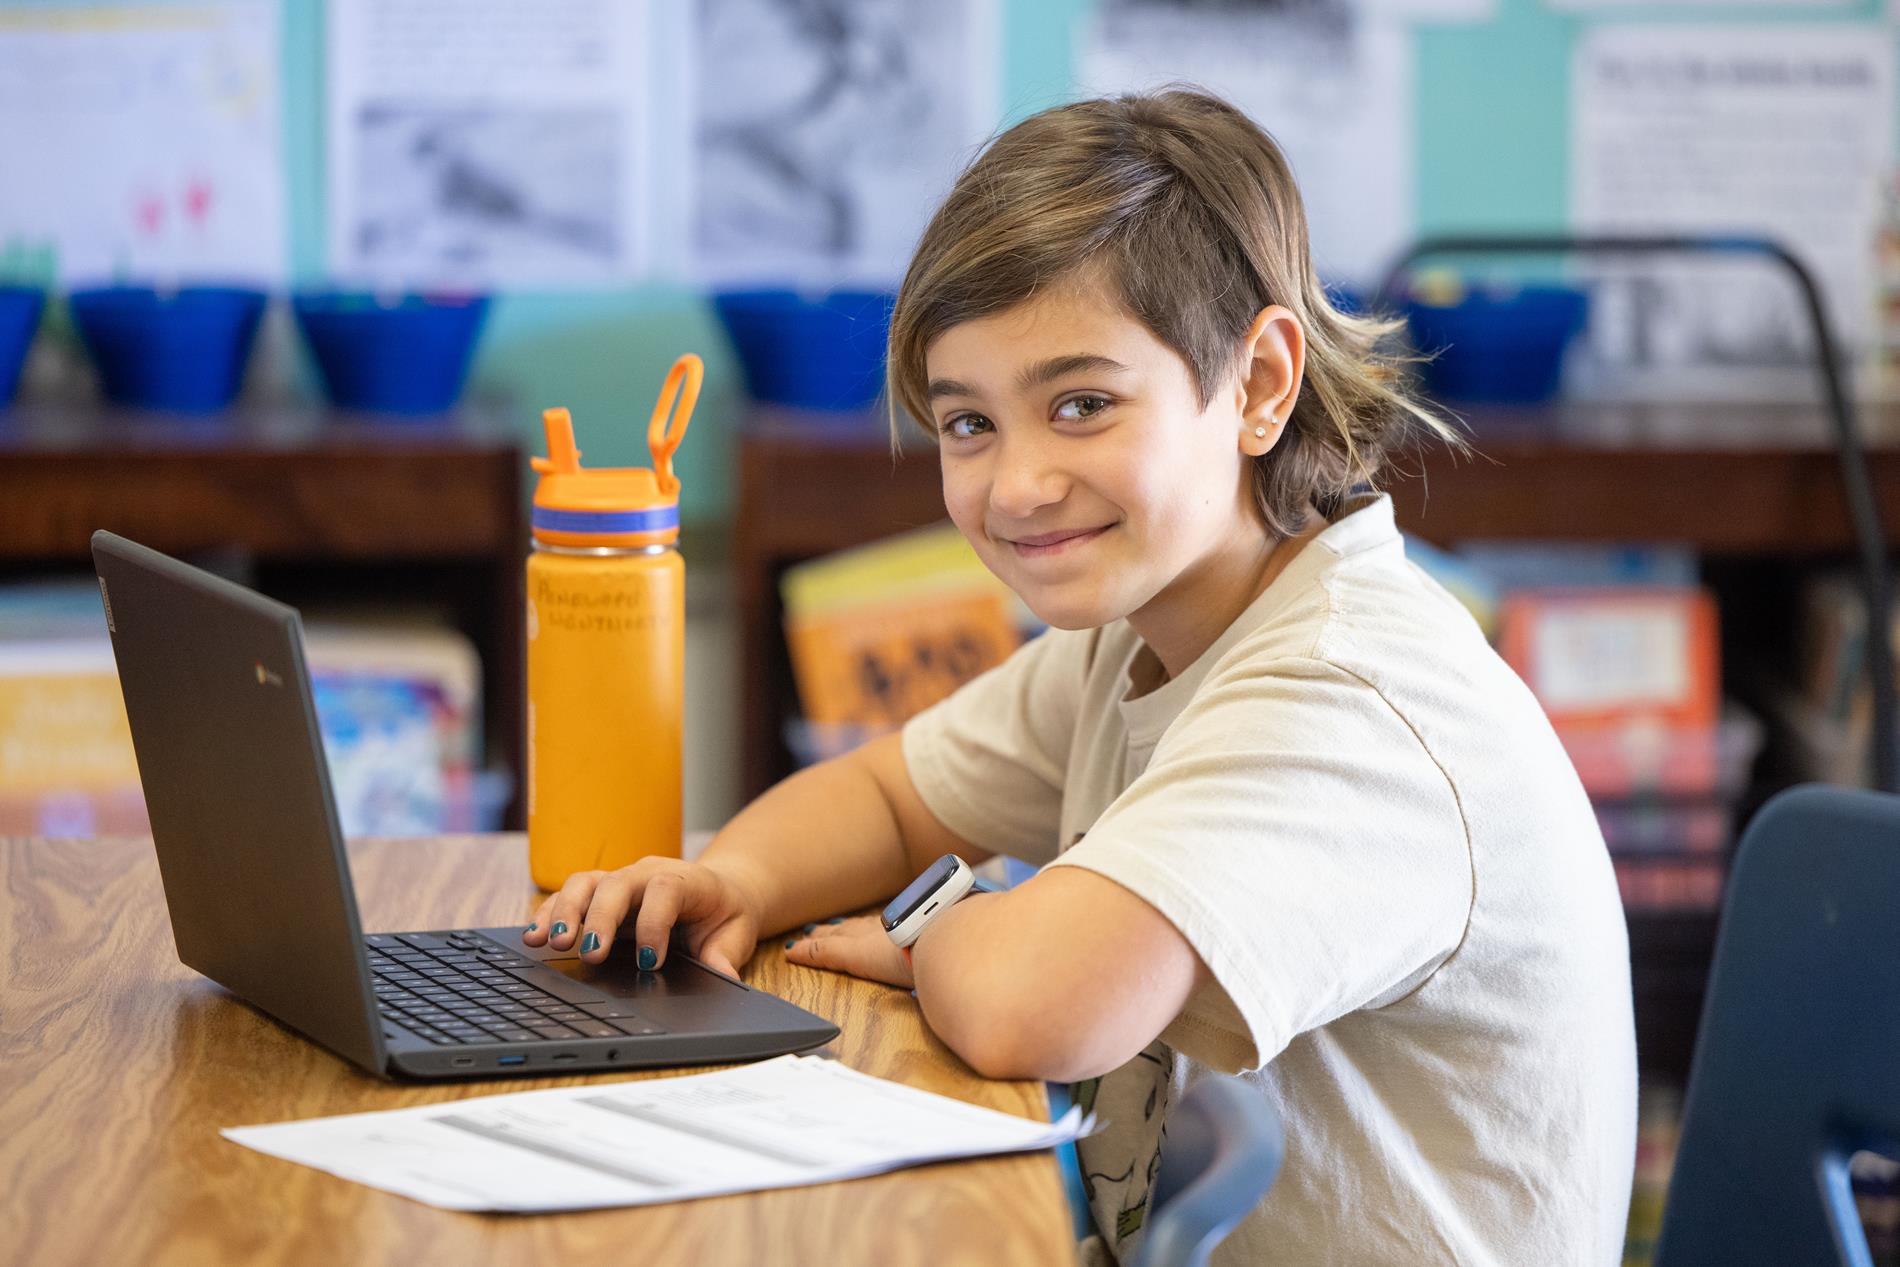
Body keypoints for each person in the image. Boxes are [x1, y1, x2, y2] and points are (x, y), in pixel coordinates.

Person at [525, 88, 1637, 1266]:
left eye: (1081, 405)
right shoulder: (1145, 629)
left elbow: (1029, 1006)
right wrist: (733, 879)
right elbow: (893, 796)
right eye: (968, 424)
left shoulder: (1344, 693)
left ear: (1259, 384)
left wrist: (933, 926)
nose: (1014, 487)